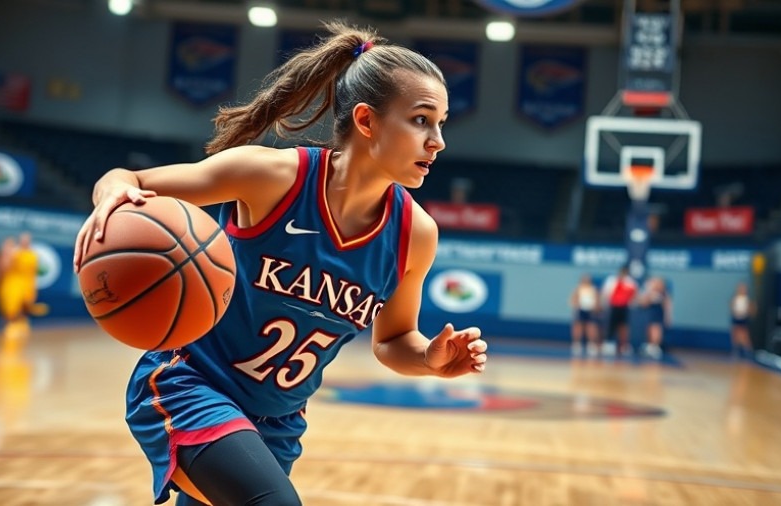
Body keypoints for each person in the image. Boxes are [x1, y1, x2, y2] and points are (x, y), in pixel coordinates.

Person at [73, 22, 488, 506]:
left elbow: (394, 339)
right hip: (189, 385)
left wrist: (430, 361)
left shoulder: (416, 235)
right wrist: (111, 196)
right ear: (367, 120)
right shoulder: (272, 177)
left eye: (440, 124)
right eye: (421, 120)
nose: (437, 140)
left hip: (277, 426)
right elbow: (129, 178)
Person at [600, 265, 638, 356]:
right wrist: (603, 304)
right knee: (610, 325)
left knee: (623, 327)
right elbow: (605, 293)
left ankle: (624, 346)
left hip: (624, 308)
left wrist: (631, 303)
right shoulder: (612, 280)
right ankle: (608, 343)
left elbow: (635, 295)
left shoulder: (631, 283)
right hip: (613, 306)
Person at [639, 276, 671, 360]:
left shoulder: (664, 294)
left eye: (658, 283)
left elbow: (667, 305)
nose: (656, 284)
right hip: (649, 313)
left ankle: (656, 346)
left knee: (656, 329)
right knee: (649, 329)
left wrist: (668, 317)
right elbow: (643, 303)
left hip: (658, 314)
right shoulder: (649, 293)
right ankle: (650, 346)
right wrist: (649, 294)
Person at [569, 274, 600, 357]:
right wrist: (576, 304)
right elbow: (573, 300)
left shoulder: (593, 290)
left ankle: (591, 345)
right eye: (584, 279)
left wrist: (596, 308)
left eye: (587, 279)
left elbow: (597, 301)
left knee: (591, 327)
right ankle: (576, 345)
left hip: (590, 310)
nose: (586, 281)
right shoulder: (578, 289)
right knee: (578, 327)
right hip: (580, 310)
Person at [729, 282, 755, 358]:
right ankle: (736, 350)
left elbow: (751, 310)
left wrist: (748, 312)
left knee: (745, 335)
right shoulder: (735, 298)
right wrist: (735, 312)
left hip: (744, 319)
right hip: (736, 318)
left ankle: (748, 351)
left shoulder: (747, 299)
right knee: (735, 335)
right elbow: (732, 308)